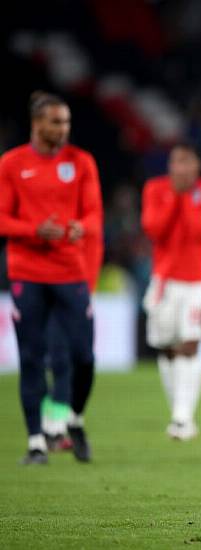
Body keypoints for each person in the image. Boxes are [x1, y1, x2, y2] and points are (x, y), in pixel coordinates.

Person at [0, 91, 102, 465]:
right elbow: (2, 217)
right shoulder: (11, 164)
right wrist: (32, 230)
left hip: (70, 271)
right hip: (27, 273)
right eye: (56, 122)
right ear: (37, 124)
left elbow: (93, 213)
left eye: (67, 122)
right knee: (31, 357)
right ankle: (36, 442)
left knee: (83, 357)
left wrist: (81, 228)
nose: (63, 129)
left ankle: (72, 418)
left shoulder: (82, 162)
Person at [141, 144, 201, 441]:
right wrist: (177, 197)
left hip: (198, 281)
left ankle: (182, 418)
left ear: (198, 164)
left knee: (190, 344)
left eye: (186, 161)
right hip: (165, 281)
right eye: (175, 162)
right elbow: (153, 229)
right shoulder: (156, 189)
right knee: (166, 347)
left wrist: (186, 198)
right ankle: (179, 412)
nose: (180, 168)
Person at [42, 200, 103, 452]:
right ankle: (52, 429)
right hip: (51, 294)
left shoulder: (87, 224)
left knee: (84, 361)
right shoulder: (50, 221)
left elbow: (93, 256)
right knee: (59, 361)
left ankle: (74, 418)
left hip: (80, 295)